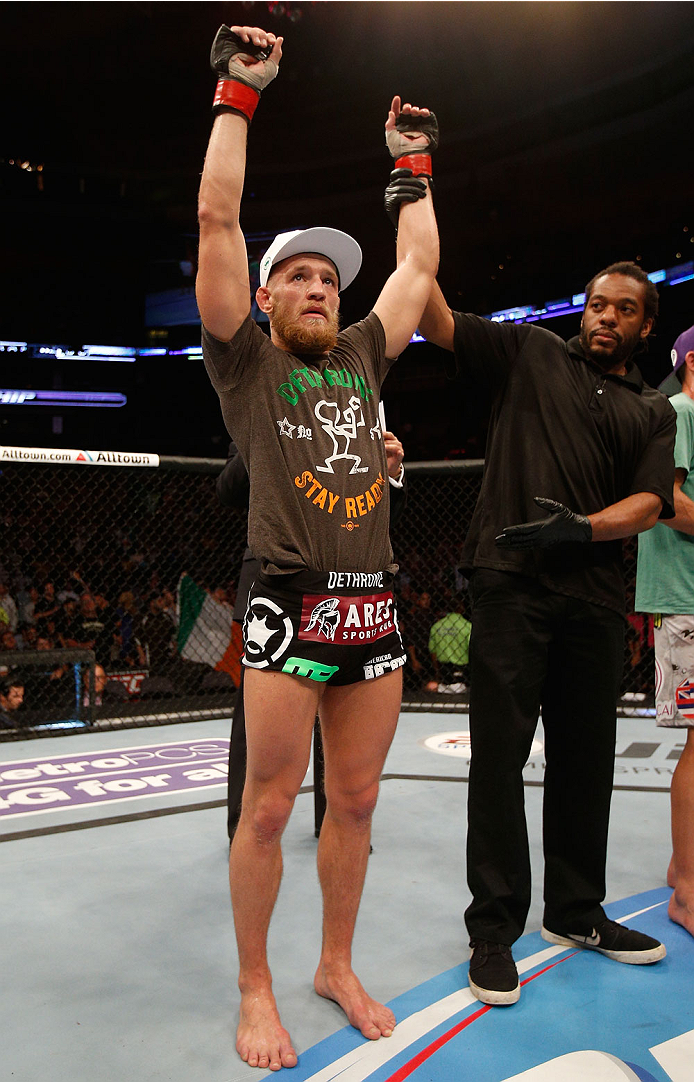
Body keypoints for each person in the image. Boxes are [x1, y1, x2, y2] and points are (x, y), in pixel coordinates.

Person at [196, 23, 438, 1070]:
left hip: (369, 601)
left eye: (327, 278)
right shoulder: (244, 363)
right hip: (286, 595)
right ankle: (256, 981)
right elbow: (216, 213)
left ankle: (334, 960)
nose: (318, 286)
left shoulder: (362, 357)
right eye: (296, 275)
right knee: (268, 802)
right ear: (262, 296)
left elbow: (418, 264)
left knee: (358, 799)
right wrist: (238, 95)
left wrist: (413, 165)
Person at [417, 260, 674, 1006]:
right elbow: (433, 317)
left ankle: (575, 912)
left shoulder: (651, 409)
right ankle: (493, 932)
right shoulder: (530, 351)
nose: (605, 317)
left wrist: (583, 529)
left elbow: (652, 503)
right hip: (510, 583)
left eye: (623, 309)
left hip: (594, 596)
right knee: (498, 760)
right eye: (597, 304)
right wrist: (414, 191)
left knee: (585, 763)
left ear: (644, 326)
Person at [219, 431, 408, 842]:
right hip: (278, 581)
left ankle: (335, 819)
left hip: (352, 582)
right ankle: (245, 826)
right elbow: (229, 488)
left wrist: (390, 473)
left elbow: (389, 513)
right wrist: (269, 441)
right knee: (254, 715)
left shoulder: (357, 400)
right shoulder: (261, 398)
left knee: (340, 701)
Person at [635, 323, 694, 938]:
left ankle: (683, 868)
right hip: (685, 598)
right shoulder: (678, 410)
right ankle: (688, 893)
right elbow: (668, 503)